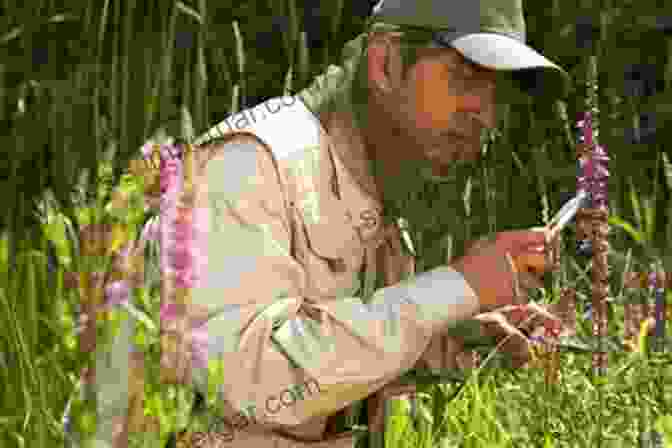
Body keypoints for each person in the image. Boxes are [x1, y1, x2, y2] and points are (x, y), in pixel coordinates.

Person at [69, 0, 576, 447]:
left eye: (495, 93)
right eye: (465, 77)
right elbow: (254, 382)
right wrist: (456, 287)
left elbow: (328, 365)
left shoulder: (378, 199)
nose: (485, 115)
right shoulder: (248, 166)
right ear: (385, 62)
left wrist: (449, 339)